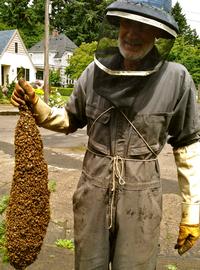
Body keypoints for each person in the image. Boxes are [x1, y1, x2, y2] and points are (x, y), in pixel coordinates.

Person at [11, 0, 200, 269]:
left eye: (143, 26)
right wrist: (36, 106)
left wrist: (192, 211)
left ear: (158, 33)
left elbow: (188, 144)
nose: (132, 34)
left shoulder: (176, 79)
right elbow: (70, 118)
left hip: (142, 194)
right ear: (117, 25)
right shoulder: (93, 72)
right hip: (93, 189)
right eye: (128, 23)